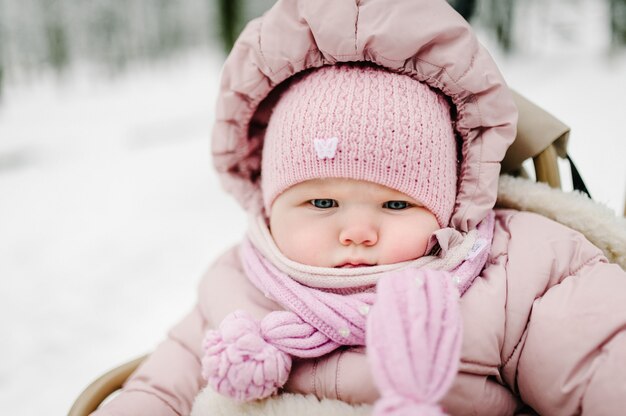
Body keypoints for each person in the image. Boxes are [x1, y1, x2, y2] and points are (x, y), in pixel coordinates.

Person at [92, 0, 626, 415]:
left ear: (450, 202)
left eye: (396, 203)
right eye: (321, 201)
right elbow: (161, 388)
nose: (358, 232)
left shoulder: (512, 273)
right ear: (270, 206)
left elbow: (601, 353)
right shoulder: (234, 285)